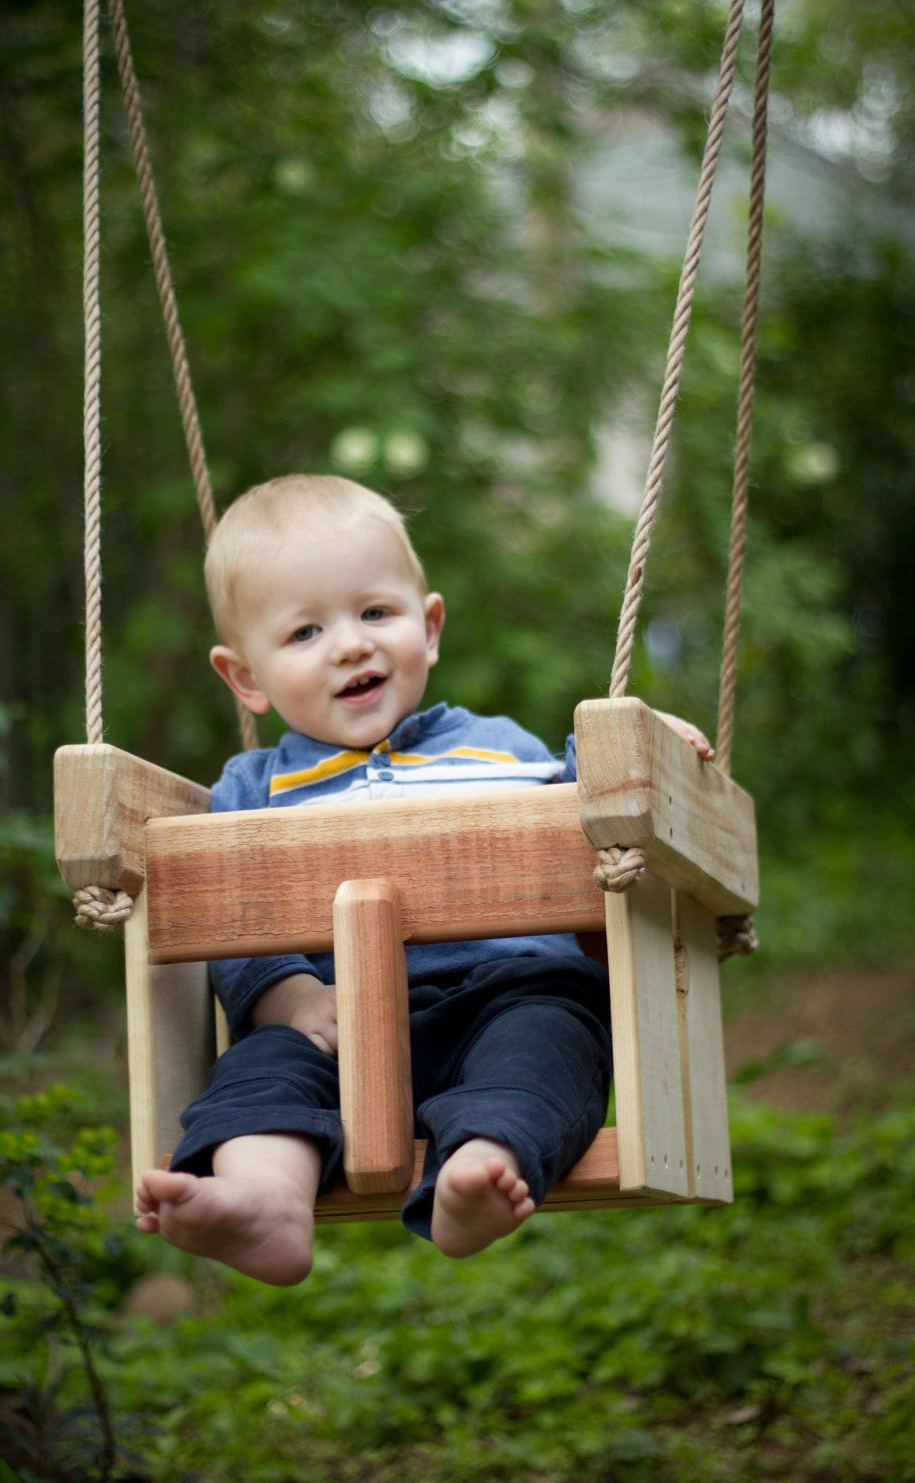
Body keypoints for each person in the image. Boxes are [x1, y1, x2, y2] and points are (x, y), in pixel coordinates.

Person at [135, 475, 712, 1285]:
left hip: (508, 992)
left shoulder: (496, 748)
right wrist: (290, 1000)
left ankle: (478, 1168)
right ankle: (265, 1202)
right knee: (259, 1073)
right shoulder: (251, 789)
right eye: (304, 632)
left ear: (429, 626)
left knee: (550, 1043)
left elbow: (583, 791)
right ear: (247, 679)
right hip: (335, 1026)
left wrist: (643, 743)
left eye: (376, 613)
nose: (350, 645)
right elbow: (222, 916)